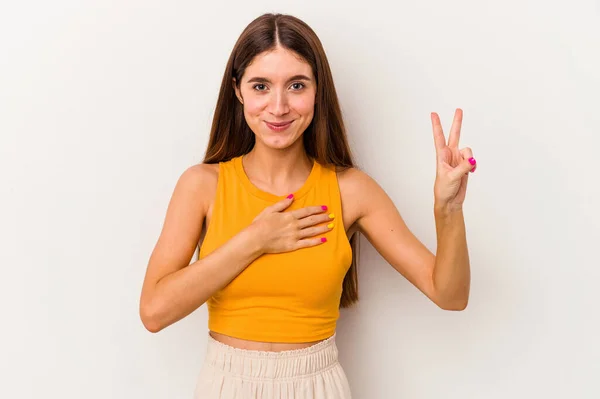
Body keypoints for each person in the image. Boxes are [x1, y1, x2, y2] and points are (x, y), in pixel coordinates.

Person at [139, 12, 475, 399]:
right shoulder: (202, 185)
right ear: (238, 91)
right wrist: (255, 240)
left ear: (318, 90)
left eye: (296, 85)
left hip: (317, 385)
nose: (278, 107)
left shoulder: (350, 190)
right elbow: (154, 311)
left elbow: (450, 295)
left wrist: (447, 210)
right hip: (225, 384)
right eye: (261, 86)